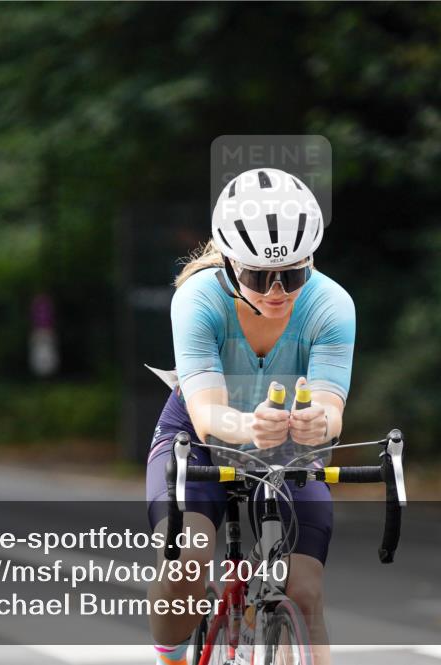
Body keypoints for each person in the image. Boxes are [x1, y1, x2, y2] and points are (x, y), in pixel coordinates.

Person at [146, 168, 354, 665]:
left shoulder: (332, 305)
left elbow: (332, 409)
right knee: (186, 564)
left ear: (312, 261)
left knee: (304, 591)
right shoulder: (198, 298)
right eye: (259, 277)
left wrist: (317, 424)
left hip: (289, 442)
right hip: (200, 437)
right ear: (230, 264)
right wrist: (251, 427)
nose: (277, 291)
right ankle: (171, 657)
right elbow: (207, 413)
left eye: (293, 274)